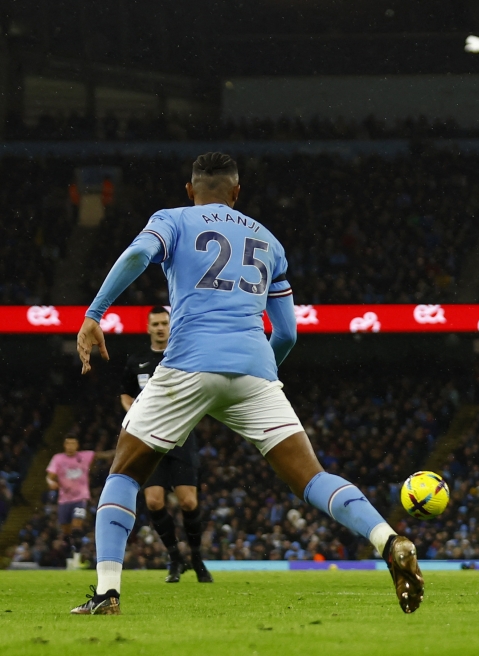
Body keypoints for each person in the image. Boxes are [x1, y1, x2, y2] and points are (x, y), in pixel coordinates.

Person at [71, 152, 422, 616]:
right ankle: (388, 539)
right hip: (255, 371)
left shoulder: (172, 219)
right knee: (313, 478)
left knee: (124, 474)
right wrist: (253, 377)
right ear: (237, 193)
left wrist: (94, 314)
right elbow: (288, 333)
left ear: (189, 189)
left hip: (187, 365)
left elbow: (138, 253)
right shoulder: (268, 240)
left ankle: (107, 594)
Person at [121, 306, 211, 583]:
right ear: (148, 328)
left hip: (181, 438)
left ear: (171, 326)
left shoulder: (184, 356)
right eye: (155, 324)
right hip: (149, 440)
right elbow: (125, 395)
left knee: (187, 501)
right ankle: (175, 559)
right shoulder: (136, 361)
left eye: (164, 323)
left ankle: (196, 557)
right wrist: (135, 415)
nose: (160, 328)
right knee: (154, 500)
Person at [46, 438, 114, 541]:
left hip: (80, 498)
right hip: (64, 500)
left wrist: (119, 450)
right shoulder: (58, 459)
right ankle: (70, 544)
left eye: (73, 443)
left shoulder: (84, 456)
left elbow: (102, 455)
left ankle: (78, 540)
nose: (70, 446)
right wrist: (51, 482)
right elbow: (49, 477)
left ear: (77, 445)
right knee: (65, 531)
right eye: (68, 443)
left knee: (77, 526)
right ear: (64, 445)